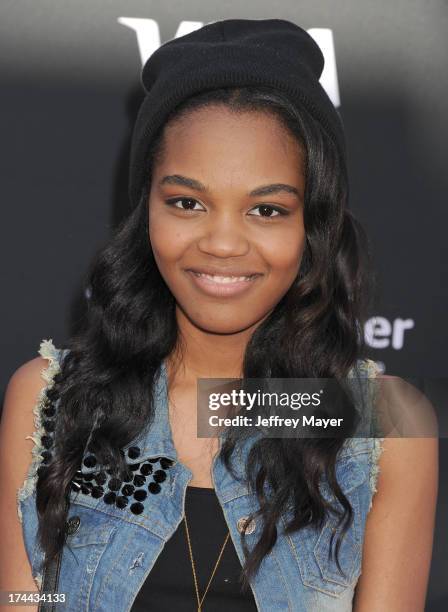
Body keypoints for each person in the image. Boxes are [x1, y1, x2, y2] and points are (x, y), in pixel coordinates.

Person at [0, 18, 438, 612]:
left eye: (266, 209)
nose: (223, 243)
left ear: (313, 225)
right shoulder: (54, 401)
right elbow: (22, 599)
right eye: (187, 202)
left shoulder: (379, 424)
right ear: (146, 210)